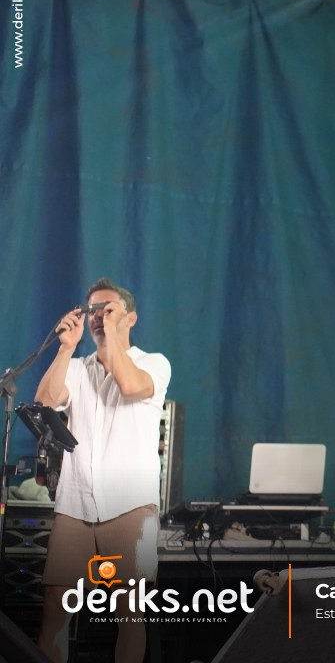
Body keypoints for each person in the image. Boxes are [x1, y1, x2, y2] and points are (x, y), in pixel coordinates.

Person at [34, 278, 171, 663]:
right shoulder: (78, 368)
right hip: (75, 505)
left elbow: (129, 385)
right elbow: (45, 403)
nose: (97, 317)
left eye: (108, 310)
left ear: (131, 318)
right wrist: (66, 348)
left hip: (132, 506)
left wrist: (110, 335)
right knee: (55, 606)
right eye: (93, 310)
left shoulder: (154, 363)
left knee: (130, 612)